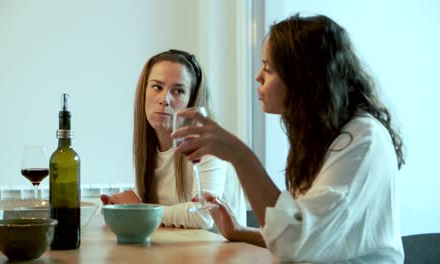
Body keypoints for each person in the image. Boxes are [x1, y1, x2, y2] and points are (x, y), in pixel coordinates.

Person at [172, 14, 405, 263]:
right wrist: (241, 232)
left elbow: (296, 242)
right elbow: (311, 236)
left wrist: (240, 155)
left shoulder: (362, 139)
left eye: (269, 68)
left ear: (305, 78)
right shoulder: (321, 136)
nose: (258, 77)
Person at [100, 49, 246, 229]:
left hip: (222, 255)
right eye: (157, 87)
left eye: (178, 91)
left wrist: (139, 209)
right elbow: (162, 209)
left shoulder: (207, 141)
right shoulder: (149, 147)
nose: (164, 99)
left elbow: (203, 216)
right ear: (144, 92)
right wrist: (121, 207)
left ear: (191, 100)